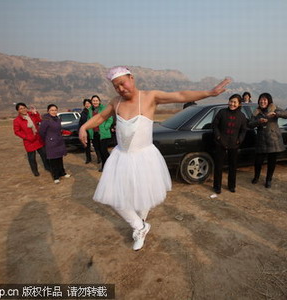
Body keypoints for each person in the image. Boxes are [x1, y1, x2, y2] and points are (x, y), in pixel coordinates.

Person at [79, 66, 230, 250]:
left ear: (131, 78)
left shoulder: (150, 97)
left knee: (144, 197)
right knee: (116, 199)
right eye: (115, 86)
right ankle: (140, 226)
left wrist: (209, 93)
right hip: (122, 157)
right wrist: (83, 127)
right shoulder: (116, 102)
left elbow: (181, 95)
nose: (120, 88)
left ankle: (140, 226)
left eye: (122, 83)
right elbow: (101, 117)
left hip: (144, 156)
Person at [249, 93, 287, 188]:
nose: (262, 101)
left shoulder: (274, 108)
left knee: (272, 162)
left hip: (273, 139)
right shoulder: (256, 111)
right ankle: (256, 177)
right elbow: (250, 124)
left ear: (269, 101)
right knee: (258, 162)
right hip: (261, 139)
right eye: (261, 100)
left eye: (265, 100)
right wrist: (259, 121)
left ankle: (268, 180)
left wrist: (276, 114)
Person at [212, 94, 248, 194]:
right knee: (218, 166)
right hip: (220, 143)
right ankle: (217, 186)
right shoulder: (222, 112)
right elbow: (214, 125)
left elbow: (244, 130)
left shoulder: (241, 116)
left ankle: (231, 186)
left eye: (234, 102)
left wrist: (239, 140)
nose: (232, 104)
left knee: (233, 166)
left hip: (234, 144)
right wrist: (218, 136)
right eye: (231, 101)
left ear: (239, 104)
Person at [13, 103, 50, 176]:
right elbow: (17, 131)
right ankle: (35, 171)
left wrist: (35, 113)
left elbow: (39, 120)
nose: (23, 110)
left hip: (37, 138)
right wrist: (27, 137)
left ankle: (47, 167)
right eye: (21, 109)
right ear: (18, 111)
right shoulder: (17, 120)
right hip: (29, 141)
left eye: (24, 107)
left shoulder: (31, 114)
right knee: (32, 158)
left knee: (44, 154)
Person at [39, 104, 70, 184]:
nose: (54, 112)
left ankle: (62, 173)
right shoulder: (46, 120)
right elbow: (41, 132)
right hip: (51, 143)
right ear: (48, 111)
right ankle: (56, 176)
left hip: (59, 141)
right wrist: (48, 139)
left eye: (55, 110)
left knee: (60, 158)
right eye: (52, 110)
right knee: (53, 160)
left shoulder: (57, 119)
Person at [87, 95, 114, 171]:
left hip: (103, 133)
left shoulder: (104, 108)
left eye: (96, 100)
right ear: (91, 102)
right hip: (94, 133)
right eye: (93, 101)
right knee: (98, 151)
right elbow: (88, 120)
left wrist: (106, 127)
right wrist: (89, 130)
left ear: (99, 101)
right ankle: (104, 166)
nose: (95, 102)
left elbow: (110, 118)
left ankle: (110, 165)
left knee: (104, 151)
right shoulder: (90, 110)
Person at [79, 99, 93, 163]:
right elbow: (81, 122)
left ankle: (99, 158)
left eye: (88, 103)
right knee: (87, 146)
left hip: (93, 130)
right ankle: (88, 159)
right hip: (86, 131)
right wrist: (80, 130)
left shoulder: (94, 111)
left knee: (96, 145)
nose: (87, 105)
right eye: (86, 104)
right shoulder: (83, 113)